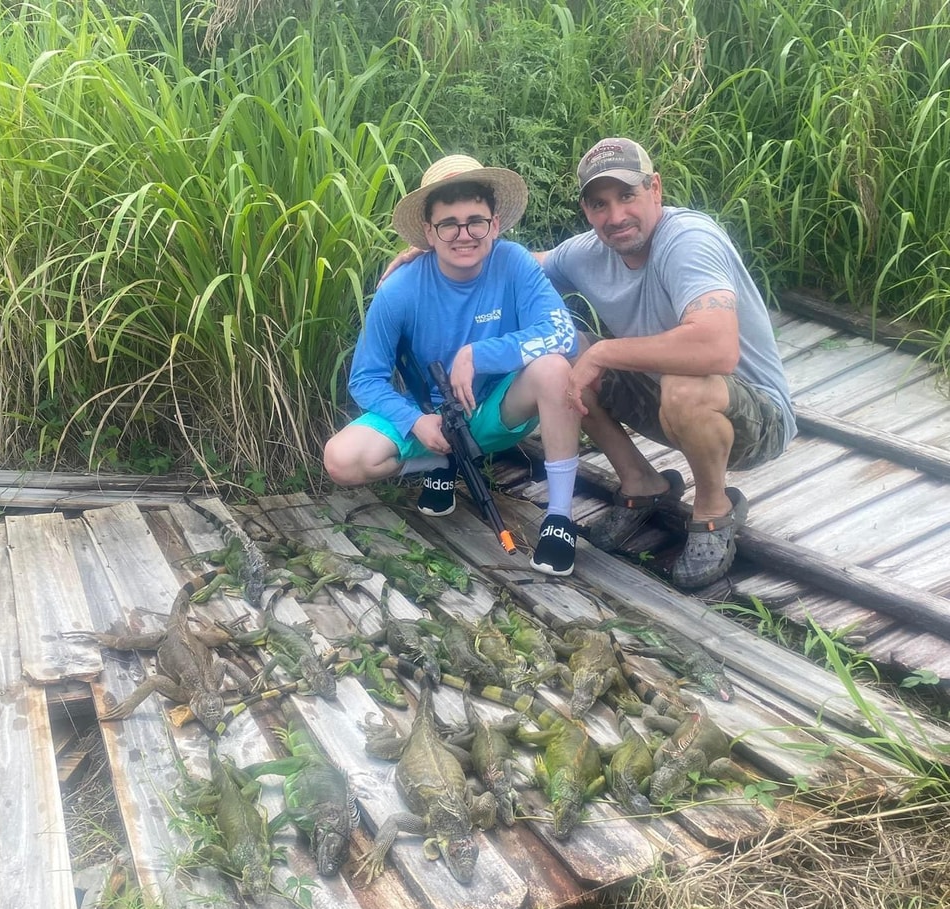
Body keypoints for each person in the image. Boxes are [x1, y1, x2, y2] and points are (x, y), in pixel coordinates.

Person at [537, 137, 796, 589]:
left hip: (756, 419)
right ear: (586, 210)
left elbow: (717, 350)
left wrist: (603, 352)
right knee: (559, 350)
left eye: (627, 195)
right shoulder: (587, 253)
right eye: (600, 204)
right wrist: (442, 251)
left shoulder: (688, 240)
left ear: (654, 188)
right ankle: (641, 483)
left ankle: (714, 506)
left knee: (683, 382)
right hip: (666, 402)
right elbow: (523, 266)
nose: (616, 216)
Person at [323, 154, 582, 576]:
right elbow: (366, 378)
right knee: (341, 459)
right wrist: (415, 422)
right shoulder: (399, 289)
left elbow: (563, 334)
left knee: (554, 368)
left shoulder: (514, 262)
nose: (464, 235)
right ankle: (442, 461)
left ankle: (559, 519)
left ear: (494, 224)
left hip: (496, 408)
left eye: (475, 222)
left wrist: (479, 354)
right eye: (449, 224)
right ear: (429, 232)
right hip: (431, 416)